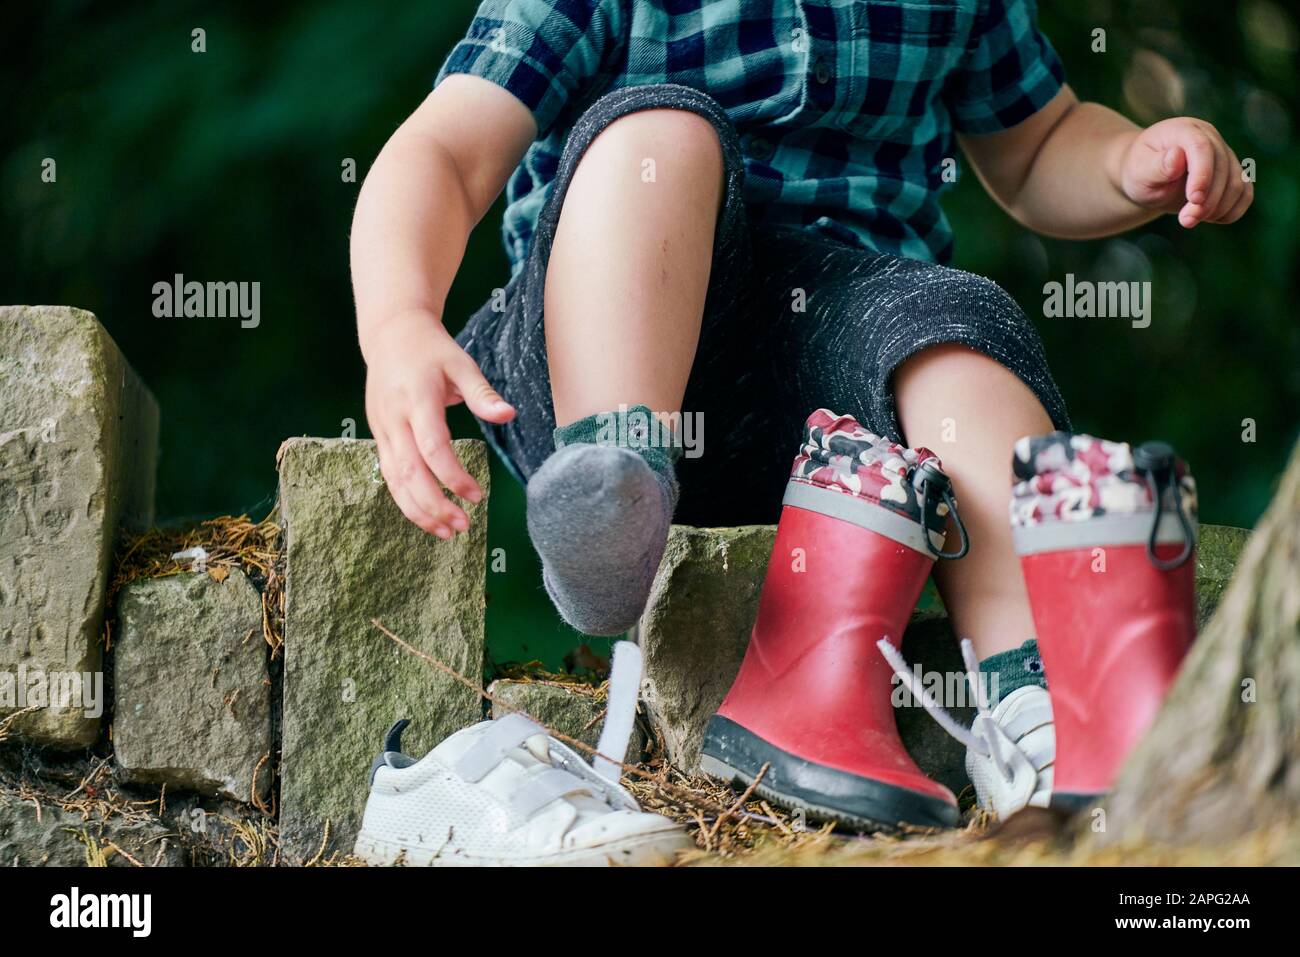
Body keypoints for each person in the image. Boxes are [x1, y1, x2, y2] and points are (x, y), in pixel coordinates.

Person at [350, 0, 1251, 862]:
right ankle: (609, 487)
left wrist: (1128, 158)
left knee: (960, 340)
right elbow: (446, 149)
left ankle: (1040, 713)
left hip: (839, 405)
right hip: (608, 338)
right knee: (660, 136)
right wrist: (397, 318)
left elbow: (1038, 144)